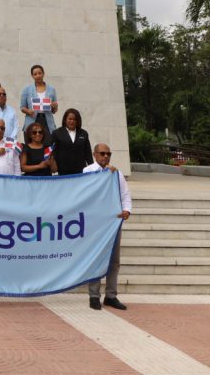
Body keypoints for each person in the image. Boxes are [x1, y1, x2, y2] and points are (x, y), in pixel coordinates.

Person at [85, 143, 132, 311]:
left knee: (114, 260)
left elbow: (125, 194)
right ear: (95, 154)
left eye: (108, 154)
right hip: (96, 222)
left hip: (113, 220)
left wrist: (126, 210)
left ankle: (111, 295)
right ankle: (94, 296)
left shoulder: (116, 173)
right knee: (96, 257)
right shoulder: (88, 172)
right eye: (102, 153)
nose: (105, 156)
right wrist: (104, 174)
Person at [52, 108, 93, 175]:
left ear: (78, 121)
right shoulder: (57, 133)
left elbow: (88, 153)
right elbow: (53, 152)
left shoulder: (84, 133)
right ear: (65, 120)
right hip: (63, 171)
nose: (72, 121)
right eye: (70, 119)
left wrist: (92, 168)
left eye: (74, 119)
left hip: (80, 171)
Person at [20, 64, 58, 134]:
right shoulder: (27, 89)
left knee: (48, 142)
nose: (38, 76)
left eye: (40, 73)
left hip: (47, 121)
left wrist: (54, 107)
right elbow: (22, 107)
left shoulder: (52, 89)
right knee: (31, 142)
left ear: (43, 74)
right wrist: (28, 111)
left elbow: (54, 111)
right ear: (32, 76)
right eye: (35, 74)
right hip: (32, 119)